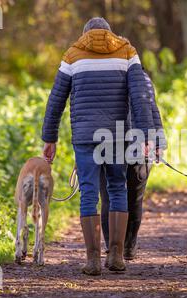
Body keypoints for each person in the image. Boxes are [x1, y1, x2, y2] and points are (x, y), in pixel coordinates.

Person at [41, 17, 157, 275]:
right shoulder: (127, 52)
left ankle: (92, 260)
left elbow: (56, 99)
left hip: (85, 138)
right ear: (110, 33)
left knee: (90, 194)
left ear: (85, 34)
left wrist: (50, 137)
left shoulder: (72, 55)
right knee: (118, 189)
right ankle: (116, 256)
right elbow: (141, 96)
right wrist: (148, 135)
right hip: (116, 135)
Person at [100, 70, 167, 263]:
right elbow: (153, 111)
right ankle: (128, 247)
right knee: (134, 199)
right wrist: (158, 144)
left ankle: (112, 247)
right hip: (140, 145)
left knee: (108, 197)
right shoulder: (143, 77)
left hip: (107, 143)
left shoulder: (103, 77)